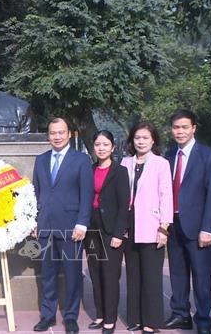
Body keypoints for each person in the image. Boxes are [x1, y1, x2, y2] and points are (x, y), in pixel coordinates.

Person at [32, 117, 93, 334]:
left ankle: (70, 317)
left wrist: (82, 224)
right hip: (46, 227)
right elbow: (36, 193)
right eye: (53, 133)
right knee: (47, 274)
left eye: (61, 132)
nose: (57, 137)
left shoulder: (81, 160)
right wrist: (35, 221)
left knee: (72, 274)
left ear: (69, 134)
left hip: (71, 228)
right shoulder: (40, 160)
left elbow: (86, 195)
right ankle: (47, 316)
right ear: (48, 135)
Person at [163, 110, 211, 334]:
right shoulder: (168, 156)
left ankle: (203, 320)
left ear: (194, 128)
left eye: (185, 127)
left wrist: (207, 228)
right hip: (174, 225)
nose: (180, 131)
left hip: (198, 228)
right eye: (176, 127)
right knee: (177, 273)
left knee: (201, 276)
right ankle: (180, 314)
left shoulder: (208, 155)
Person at [120, 122, 173, 334]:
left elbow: (166, 195)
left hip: (151, 225)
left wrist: (164, 227)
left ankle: (151, 321)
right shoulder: (125, 162)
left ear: (153, 140)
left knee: (151, 275)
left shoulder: (161, 164)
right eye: (137, 138)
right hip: (129, 225)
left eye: (145, 138)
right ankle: (135, 318)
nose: (141, 141)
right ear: (132, 141)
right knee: (133, 275)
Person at [84, 130, 129, 334]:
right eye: (98, 144)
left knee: (110, 275)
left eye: (105, 144)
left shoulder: (119, 172)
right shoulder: (89, 169)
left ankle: (110, 319)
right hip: (91, 229)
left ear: (113, 147)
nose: (101, 148)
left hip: (111, 230)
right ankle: (100, 314)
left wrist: (119, 234)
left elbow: (124, 205)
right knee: (95, 273)